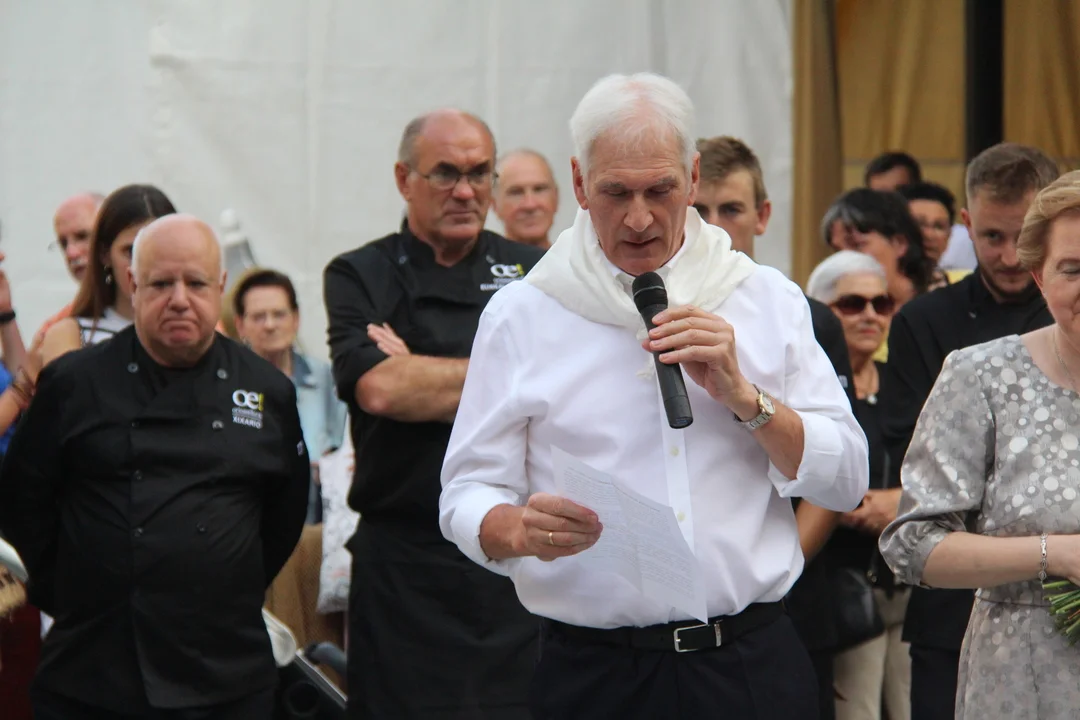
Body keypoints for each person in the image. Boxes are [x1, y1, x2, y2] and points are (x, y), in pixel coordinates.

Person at [439, 72, 869, 719]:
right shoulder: (523, 315)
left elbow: (847, 480)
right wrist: (517, 529)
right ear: (579, 184)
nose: (639, 218)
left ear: (692, 178)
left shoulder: (765, 299)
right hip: (595, 674)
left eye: (660, 190)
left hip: (748, 665)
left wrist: (747, 399)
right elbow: (466, 491)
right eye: (616, 192)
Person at [0, 214, 310, 719]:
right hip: (95, 670)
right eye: (162, 283)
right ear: (132, 283)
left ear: (221, 287)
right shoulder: (74, 382)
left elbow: (283, 517)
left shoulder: (266, 390)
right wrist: (87, 590)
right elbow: (22, 503)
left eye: (196, 283)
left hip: (225, 672)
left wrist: (221, 585)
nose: (180, 299)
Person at [323, 108, 544, 719]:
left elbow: (560, 388)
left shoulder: (533, 273)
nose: (466, 192)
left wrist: (419, 367)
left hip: (509, 560)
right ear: (404, 179)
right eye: (445, 173)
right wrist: (511, 381)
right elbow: (382, 391)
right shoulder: (359, 273)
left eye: (480, 174)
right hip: (403, 571)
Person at [880, 169, 1080, 719]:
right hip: (1026, 680)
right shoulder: (983, 376)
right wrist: (1055, 553)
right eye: (1073, 268)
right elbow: (913, 545)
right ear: (1040, 277)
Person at [695, 135, 854, 720]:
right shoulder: (651, 308)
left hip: (783, 590)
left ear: (762, 215)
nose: (715, 225)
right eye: (700, 209)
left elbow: (837, 467)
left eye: (731, 209)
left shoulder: (802, 315)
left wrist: (783, 563)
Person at [807, 252, 909, 720]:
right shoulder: (812, 390)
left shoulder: (903, 384)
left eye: (881, 303)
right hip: (839, 586)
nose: (870, 315)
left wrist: (901, 501)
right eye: (852, 304)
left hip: (907, 582)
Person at [233, 267, 346, 523]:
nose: (270, 325)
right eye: (258, 317)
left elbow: (342, 447)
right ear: (240, 325)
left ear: (296, 319)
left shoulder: (324, 378)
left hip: (317, 522)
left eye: (279, 314)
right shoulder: (229, 386)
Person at [40, 184, 177, 365]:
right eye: (132, 251)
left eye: (158, 250)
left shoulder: (196, 330)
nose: (144, 265)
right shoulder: (70, 335)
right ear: (105, 254)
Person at [822, 188, 941, 309]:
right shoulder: (834, 310)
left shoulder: (941, 307)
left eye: (856, 245)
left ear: (899, 244)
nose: (843, 259)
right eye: (837, 251)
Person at [34, 193, 105, 343]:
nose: (71, 253)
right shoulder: (56, 328)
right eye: (63, 243)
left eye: (82, 236)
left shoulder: (146, 309)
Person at [896, 181, 974, 279]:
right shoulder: (879, 283)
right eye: (919, 224)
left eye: (939, 226)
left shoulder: (963, 283)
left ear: (949, 235)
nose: (929, 235)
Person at [493, 148, 559, 250]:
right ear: (494, 204)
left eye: (539, 189)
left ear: (556, 197)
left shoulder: (577, 259)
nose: (530, 204)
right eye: (516, 192)